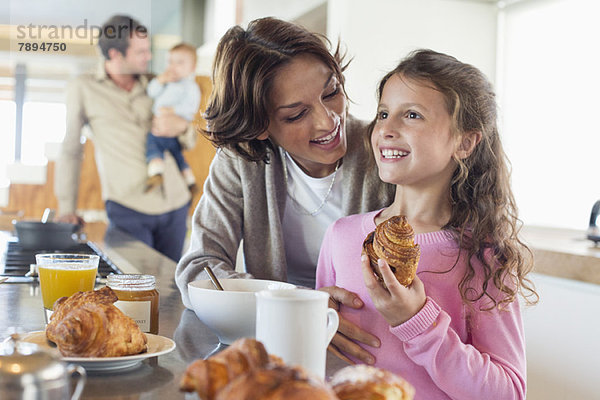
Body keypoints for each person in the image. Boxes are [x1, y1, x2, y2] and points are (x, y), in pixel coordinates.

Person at [316, 49, 538, 399]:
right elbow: (321, 365)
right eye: (384, 113)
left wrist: (418, 321)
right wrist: (311, 319)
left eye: (412, 115)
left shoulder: (483, 256)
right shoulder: (341, 237)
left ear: (464, 142)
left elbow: (508, 392)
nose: (385, 129)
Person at [175, 16, 394, 355]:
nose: (328, 120)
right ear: (260, 125)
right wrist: (296, 304)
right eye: (296, 114)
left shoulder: (384, 154)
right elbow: (198, 268)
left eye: (331, 92)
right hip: (276, 342)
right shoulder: (240, 162)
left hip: (367, 345)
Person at [55, 15, 195, 262]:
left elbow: (189, 139)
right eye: (141, 52)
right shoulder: (83, 88)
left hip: (175, 202)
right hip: (127, 206)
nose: (149, 57)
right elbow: (70, 150)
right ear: (115, 55)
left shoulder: (155, 84)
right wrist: (67, 208)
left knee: (171, 291)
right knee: (131, 289)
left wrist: (182, 127)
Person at [145, 42, 201, 194]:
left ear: (192, 68)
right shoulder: (166, 82)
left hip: (175, 132)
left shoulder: (191, 87)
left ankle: (189, 180)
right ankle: (156, 173)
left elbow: (191, 108)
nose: (173, 67)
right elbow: (151, 92)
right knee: (153, 147)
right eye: (170, 62)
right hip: (157, 128)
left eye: (180, 63)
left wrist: (174, 110)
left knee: (177, 155)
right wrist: (160, 81)